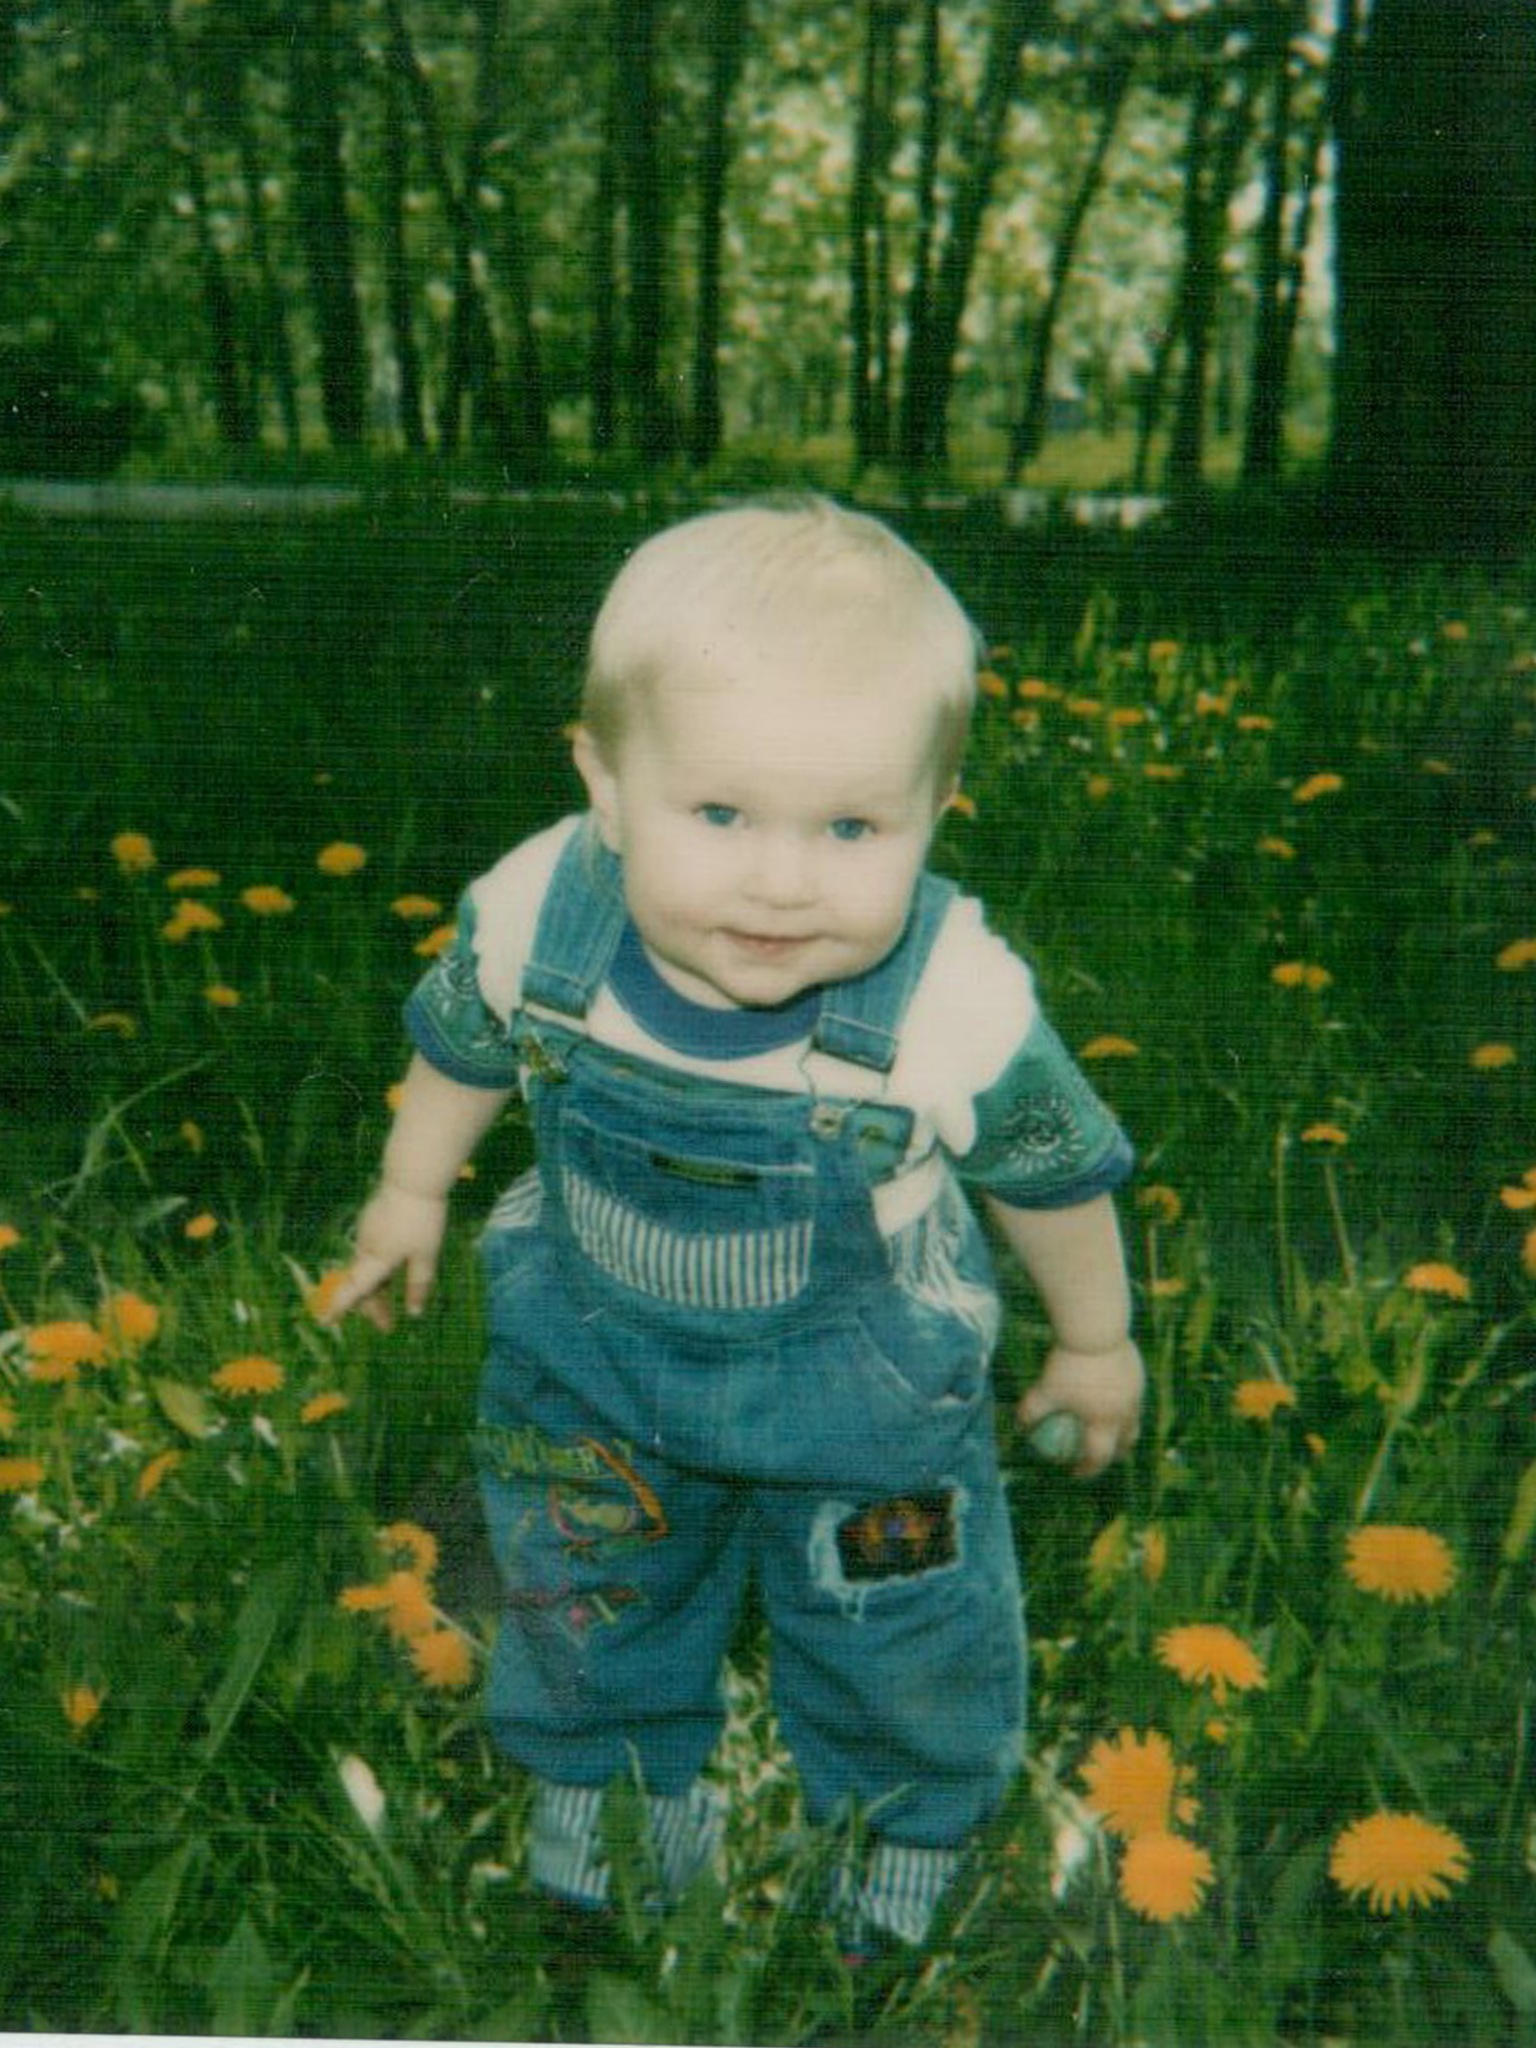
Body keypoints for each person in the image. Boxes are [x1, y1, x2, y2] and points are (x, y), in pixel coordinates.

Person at [326, 497, 1143, 1960]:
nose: (782, 880)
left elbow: (1049, 1173)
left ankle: (894, 1860)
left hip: (863, 1399)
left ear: (936, 810)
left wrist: (1096, 1341)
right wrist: (408, 1189)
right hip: (593, 1362)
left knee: (898, 1626)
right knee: (586, 1593)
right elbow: (466, 1041)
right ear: (606, 784)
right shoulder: (539, 910)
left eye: (852, 827)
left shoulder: (951, 1000)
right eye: (720, 815)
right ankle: (612, 1826)